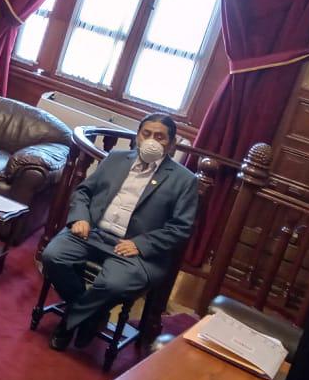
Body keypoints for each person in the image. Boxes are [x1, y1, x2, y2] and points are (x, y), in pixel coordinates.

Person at [41, 113, 198, 351]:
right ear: (138, 136)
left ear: (172, 144)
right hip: (92, 232)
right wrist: (81, 218)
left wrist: (142, 243)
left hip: (131, 248)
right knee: (53, 257)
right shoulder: (115, 158)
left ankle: (68, 323)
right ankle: (92, 315)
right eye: (146, 134)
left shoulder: (184, 180)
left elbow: (181, 227)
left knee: (114, 284)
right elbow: (84, 191)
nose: (152, 141)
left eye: (160, 136)